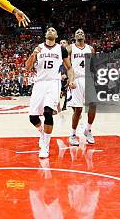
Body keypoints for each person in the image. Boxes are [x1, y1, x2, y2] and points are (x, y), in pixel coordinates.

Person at [25, 27, 74, 159]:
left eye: (53, 30)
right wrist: (33, 54)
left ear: (56, 35)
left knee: (48, 112)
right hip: (39, 83)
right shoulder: (39, 48)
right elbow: (27, 67)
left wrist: (71, 80)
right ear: (45, 34)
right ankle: (42, 133)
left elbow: (69, 68)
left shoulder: (61, 49)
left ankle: (45, 147)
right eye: (49, 30)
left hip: (53, 82)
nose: (51, 31)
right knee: (33, 117)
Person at [67, 29, 97, 146]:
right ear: (74, 36)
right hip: (76, 79)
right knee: (78, 109)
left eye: (82, 33)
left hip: (88, 78)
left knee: (93, 104)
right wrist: (70, 80)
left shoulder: (90, 49)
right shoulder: (70, 48)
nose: (80, 33)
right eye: (77, 33)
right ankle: (73, 134)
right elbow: (67, 65)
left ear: (85, 36)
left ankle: (88, 130)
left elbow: (93, 66)